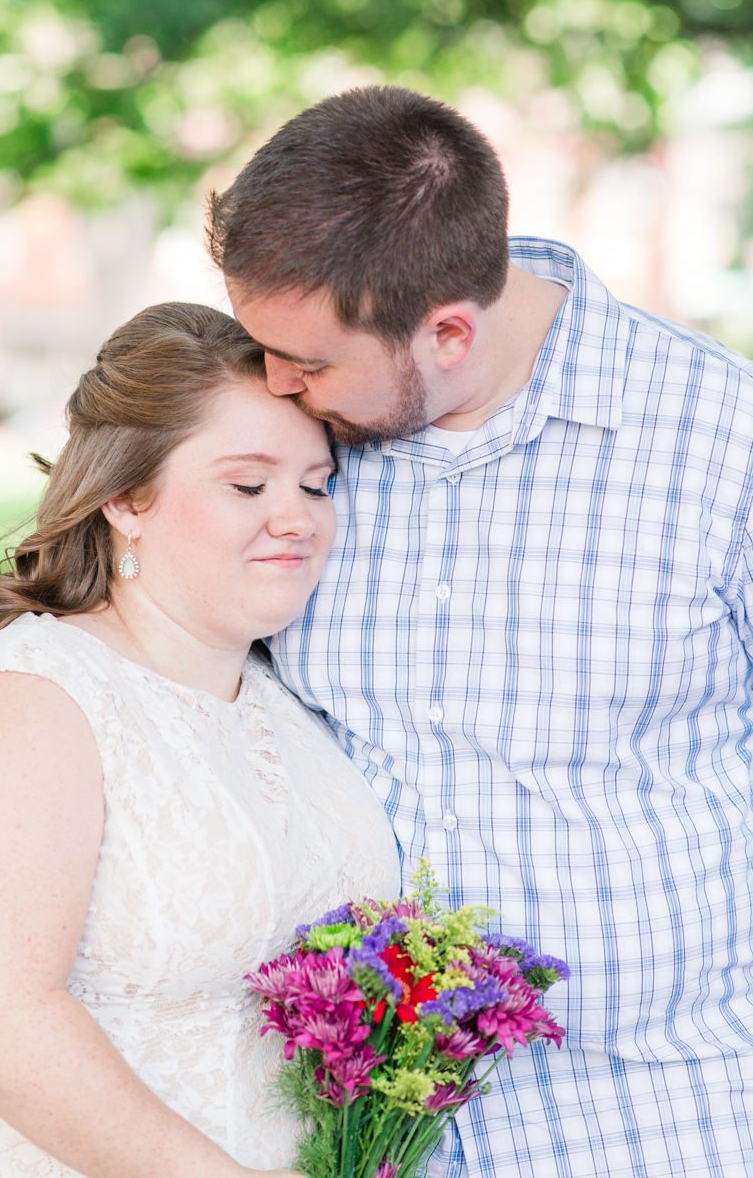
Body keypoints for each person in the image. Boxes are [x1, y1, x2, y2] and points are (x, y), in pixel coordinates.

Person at [209, 86, 753, 1177]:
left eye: (306, 361)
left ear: (448, 331)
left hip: (666, 1118)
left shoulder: (721, 443)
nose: (274, 382)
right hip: (369, 1130)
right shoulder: (286, 456)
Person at [0, 301, 399, 1178]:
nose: (297, 518)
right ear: (126, 497)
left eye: (317, 485)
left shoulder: (288, 702)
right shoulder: (31, 698)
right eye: (248, 484)